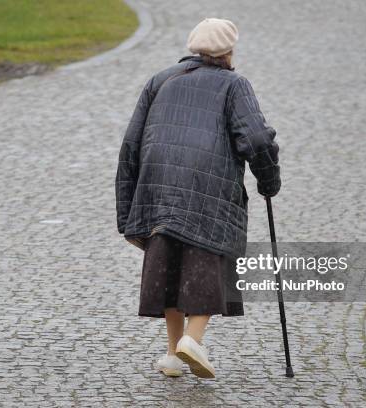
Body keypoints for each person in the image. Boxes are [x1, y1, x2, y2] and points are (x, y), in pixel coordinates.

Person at [115, 17, 281, 379]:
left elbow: (131, 144)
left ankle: (175, 354)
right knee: (207, 258)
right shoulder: (234, 84)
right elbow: (257, 140)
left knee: (169, 261)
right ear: (229, 51)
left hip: (158, 187)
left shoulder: (160, 80)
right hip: (210, 191)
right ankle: (193, 339)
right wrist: (269, 182)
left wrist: (127, 212)